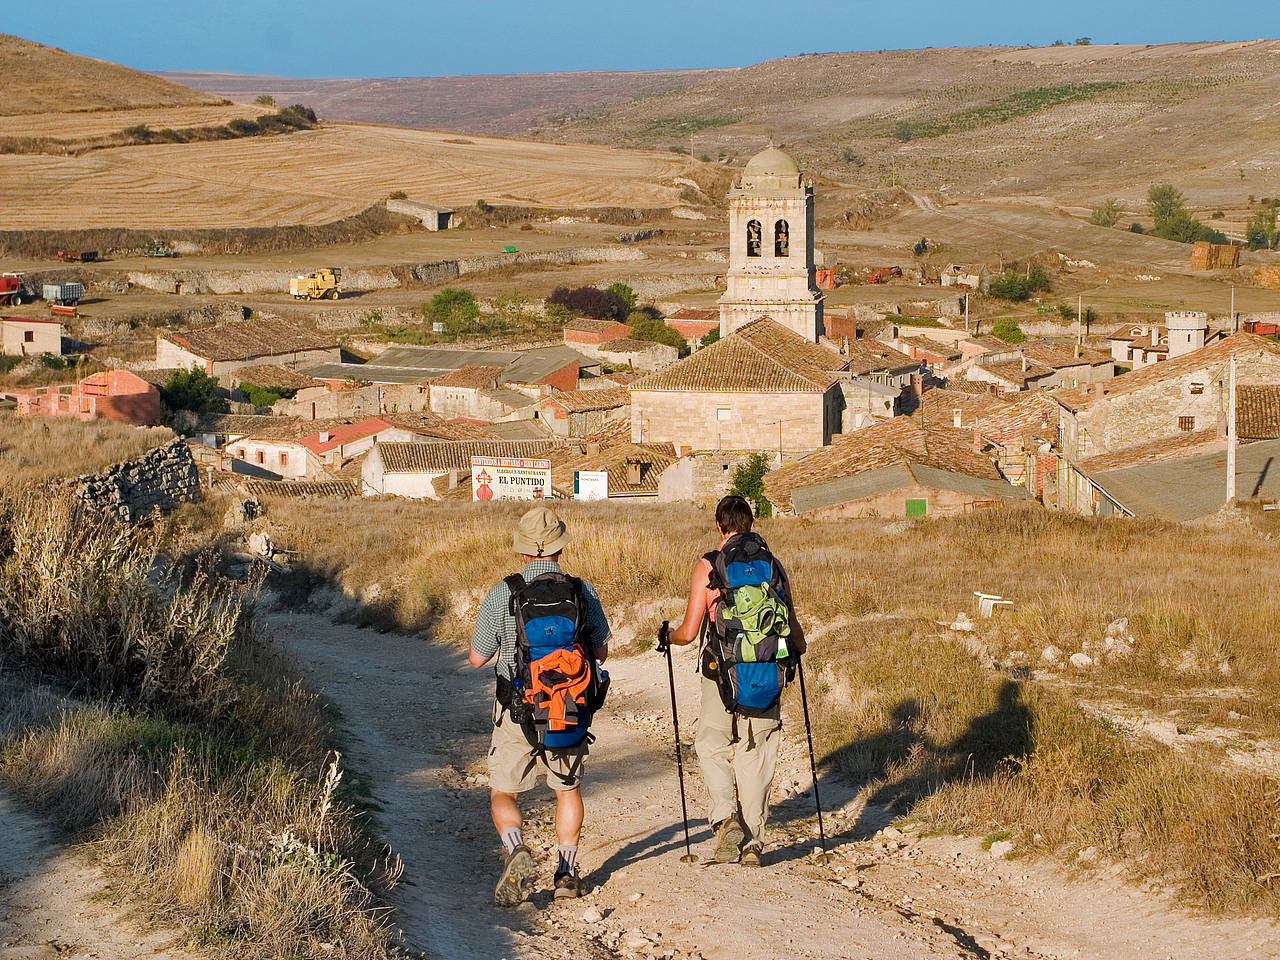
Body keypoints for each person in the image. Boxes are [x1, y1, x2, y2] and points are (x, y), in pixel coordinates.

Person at [470, 505, 610, 906]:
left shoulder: (504, 592)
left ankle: (516, 849)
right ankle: (566, 873)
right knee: (567, 790)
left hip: (517, 710)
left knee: (503, 792)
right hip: (567, 708)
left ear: (524, 551)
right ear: (559, 548)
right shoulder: (582, 591)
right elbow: (600, 650)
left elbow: (477, 658)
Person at [666, 494, 805, 867]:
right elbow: (792, 627)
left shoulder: (710, 566)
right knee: (757, 752)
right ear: (752, 524)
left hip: (720, 673)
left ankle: (726, 820)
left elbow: (691, 629)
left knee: (712, 743)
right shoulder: (772, 566)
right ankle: (754, 842)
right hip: (765, 671)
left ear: (718, 526)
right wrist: (797, 650)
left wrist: (669, 635)